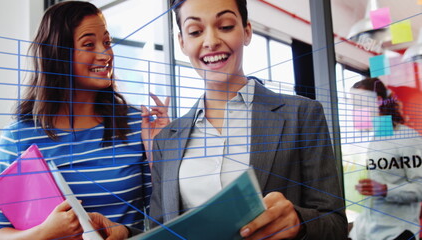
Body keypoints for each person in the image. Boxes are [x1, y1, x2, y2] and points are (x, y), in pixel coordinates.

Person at [148, 0, 348, 239]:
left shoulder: (302, 115)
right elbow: (159, 230)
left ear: (247, 31)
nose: (211, 42)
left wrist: (299, 223)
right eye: (195, 32)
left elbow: (335, 225)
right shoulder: (166, 142)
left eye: (225, 26)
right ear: (182, 42)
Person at [0, 2, 169, 240]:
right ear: (58, 53)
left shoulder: (137, 125)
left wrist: (158, 154)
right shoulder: (19, 136)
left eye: (107, 42)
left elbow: (165, 217)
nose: (105, 54)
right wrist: (45, 232)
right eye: (89, 44)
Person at [349, 78, 422, 240]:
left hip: (398, 233)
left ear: (379, 101)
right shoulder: (365, 140)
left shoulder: (407, 137)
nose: (356, 108)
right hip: (363, 232)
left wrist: (386, 189)